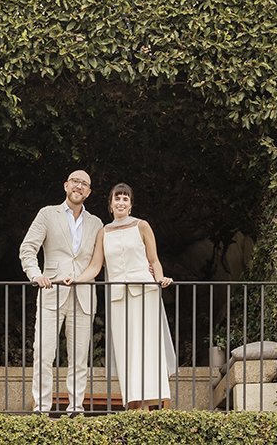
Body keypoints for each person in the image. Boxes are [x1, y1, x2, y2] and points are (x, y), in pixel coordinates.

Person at [67, 183, 177, 410]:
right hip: (118, 297)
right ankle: (135, 404)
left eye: (125, 199)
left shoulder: (142, 226)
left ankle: (153, 403)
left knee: (148, 345)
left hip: (145, 291)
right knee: (126, 349)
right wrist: (76, 279)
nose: (121, 202)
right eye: (117, 198)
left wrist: (161, 278)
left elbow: (153, 259)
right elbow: (96, 266)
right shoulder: (103, 232)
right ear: (110, 204)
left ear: (130, 204)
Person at [18, 169, 102, 415]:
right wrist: (35, 275)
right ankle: (42, 408)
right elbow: (28, 248)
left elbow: (103, 259)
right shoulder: (47, 214)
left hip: (84, 295)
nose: (79, 186)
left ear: (88, 192)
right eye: (75, 181)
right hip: (51, 291)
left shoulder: (97, 223)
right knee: (43, 353)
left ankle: (75, 407)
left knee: (79, 358)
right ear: (66, 185)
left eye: (84, 184)